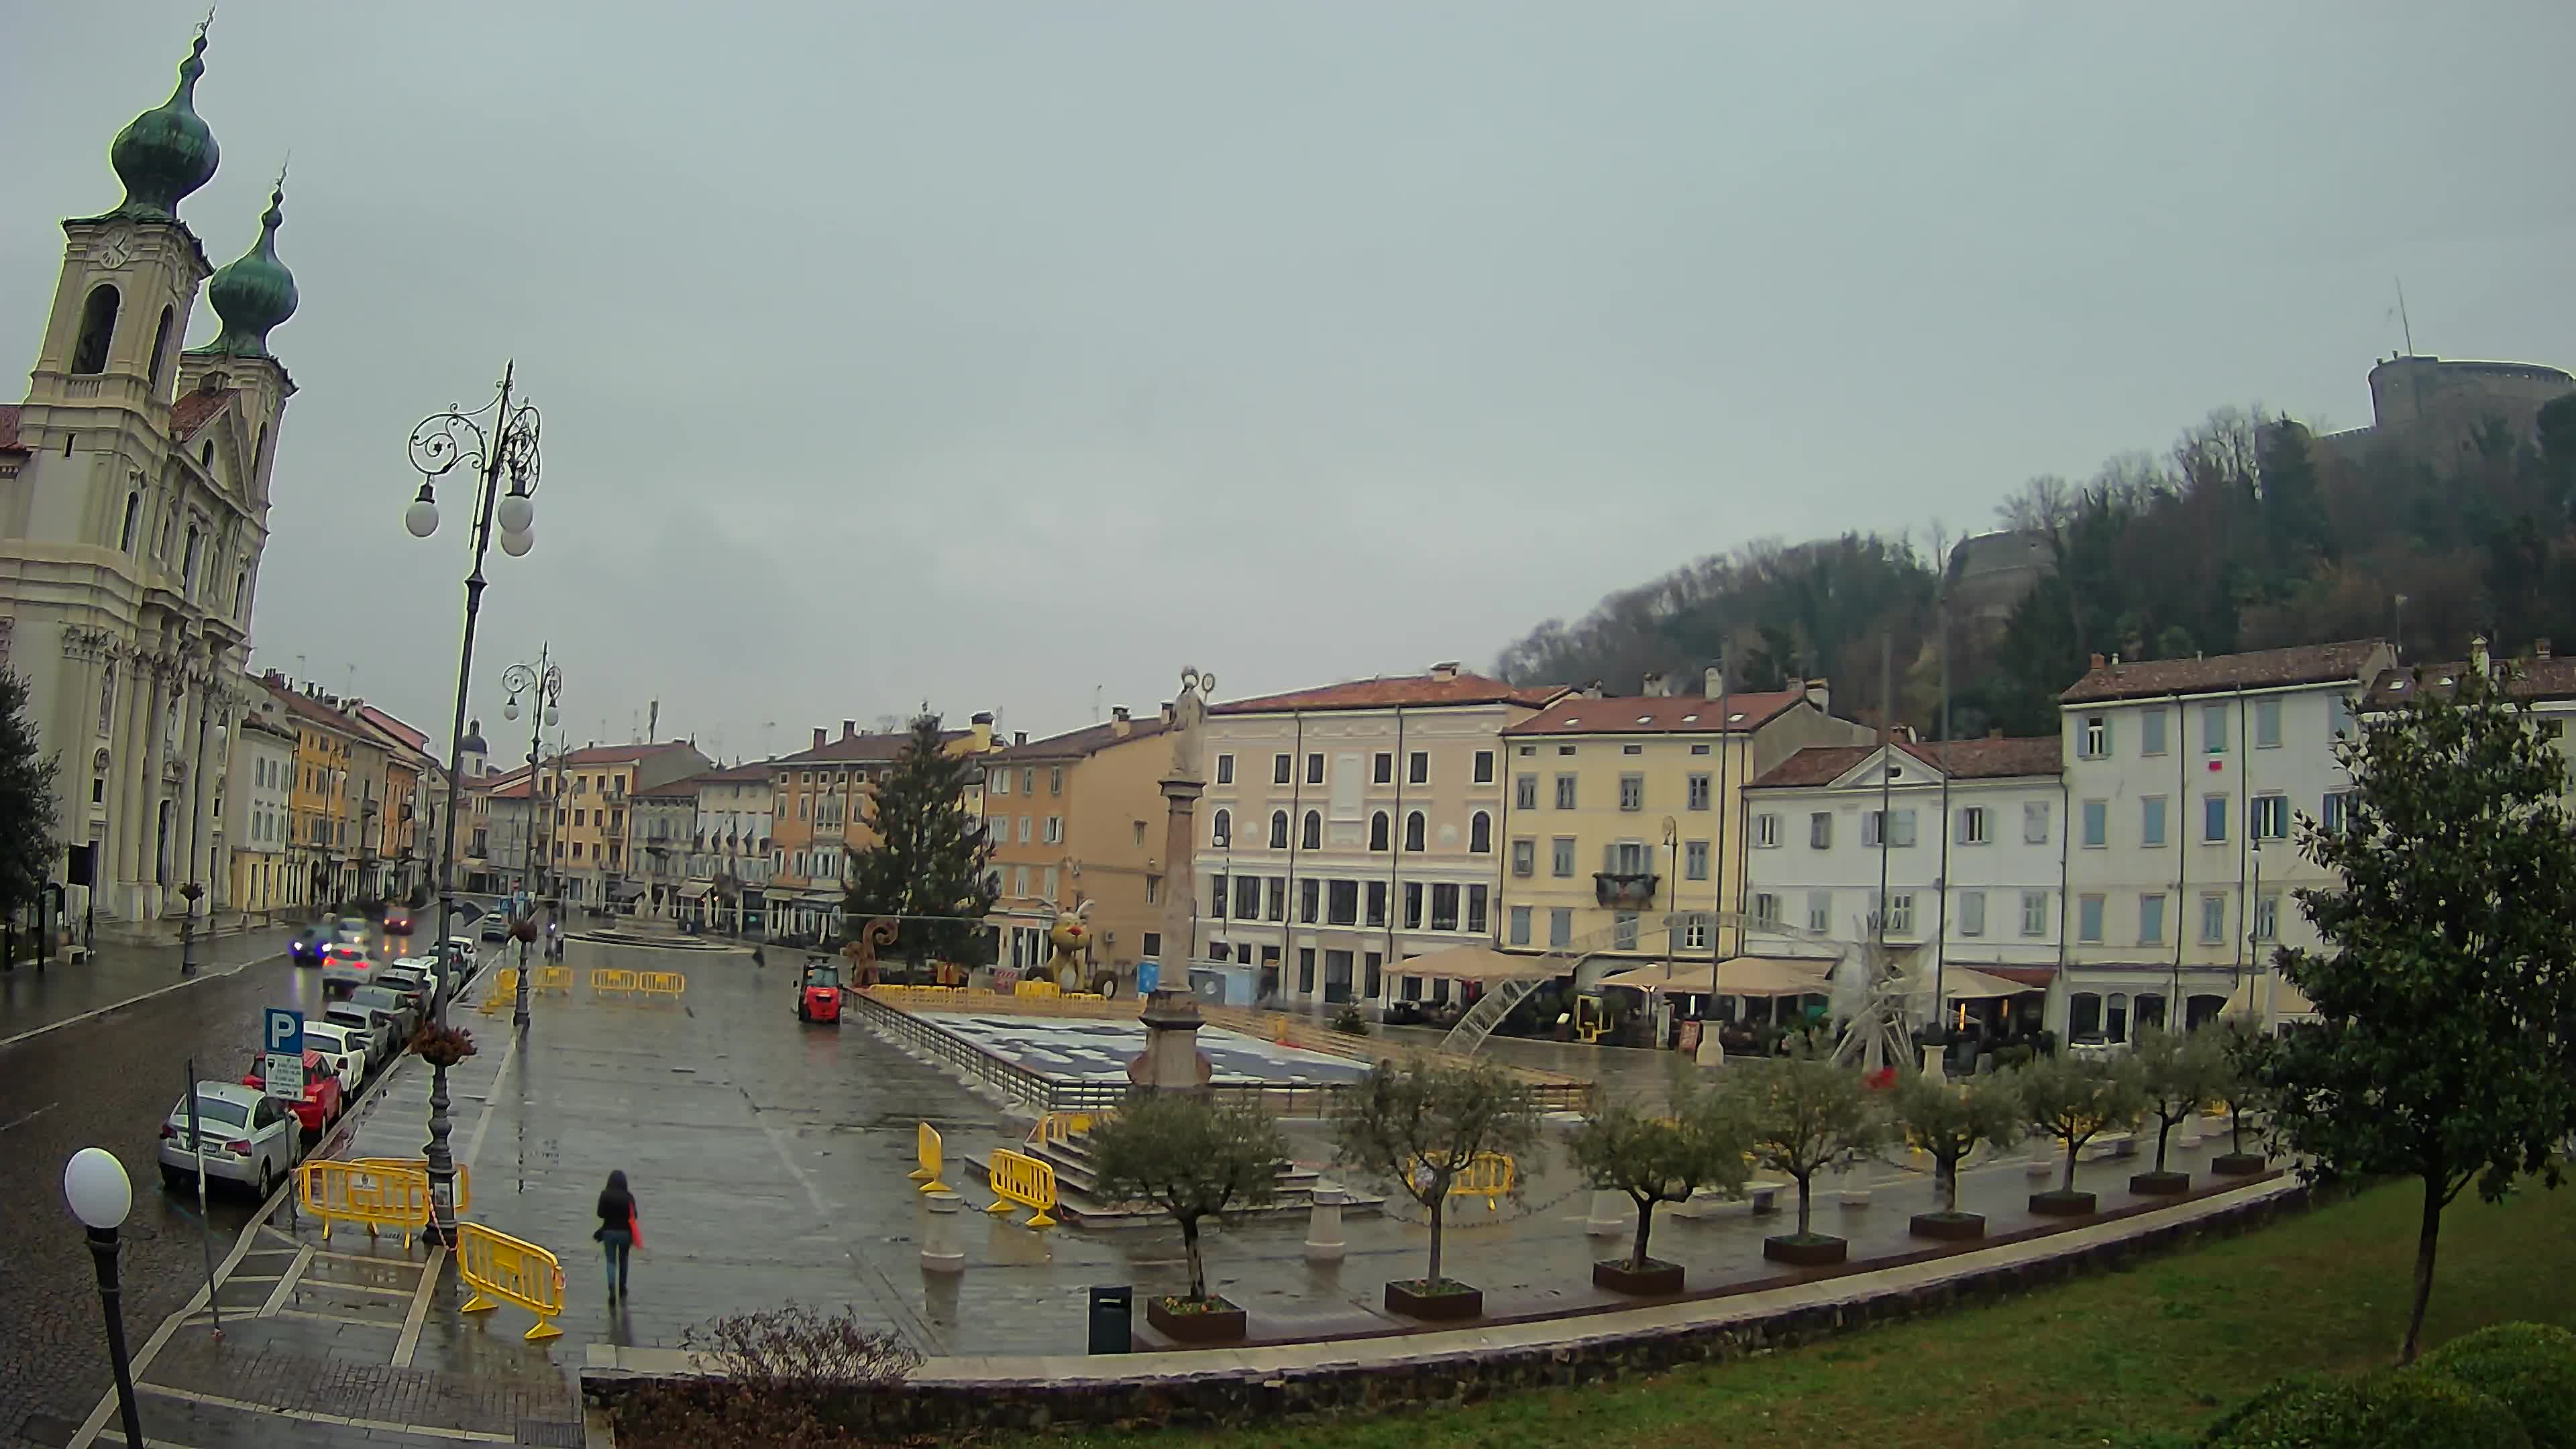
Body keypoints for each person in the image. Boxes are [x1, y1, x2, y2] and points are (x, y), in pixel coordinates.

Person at [594, 1170, 639, 1301]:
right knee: (623, 1259)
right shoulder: (629, 1197)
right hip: (625, 1233)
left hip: (609, 1232)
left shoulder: (605, 1195)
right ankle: (622, 1287)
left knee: (611, 1262)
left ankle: (612, 1291)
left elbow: (600, 1214)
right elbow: (635, 1216)